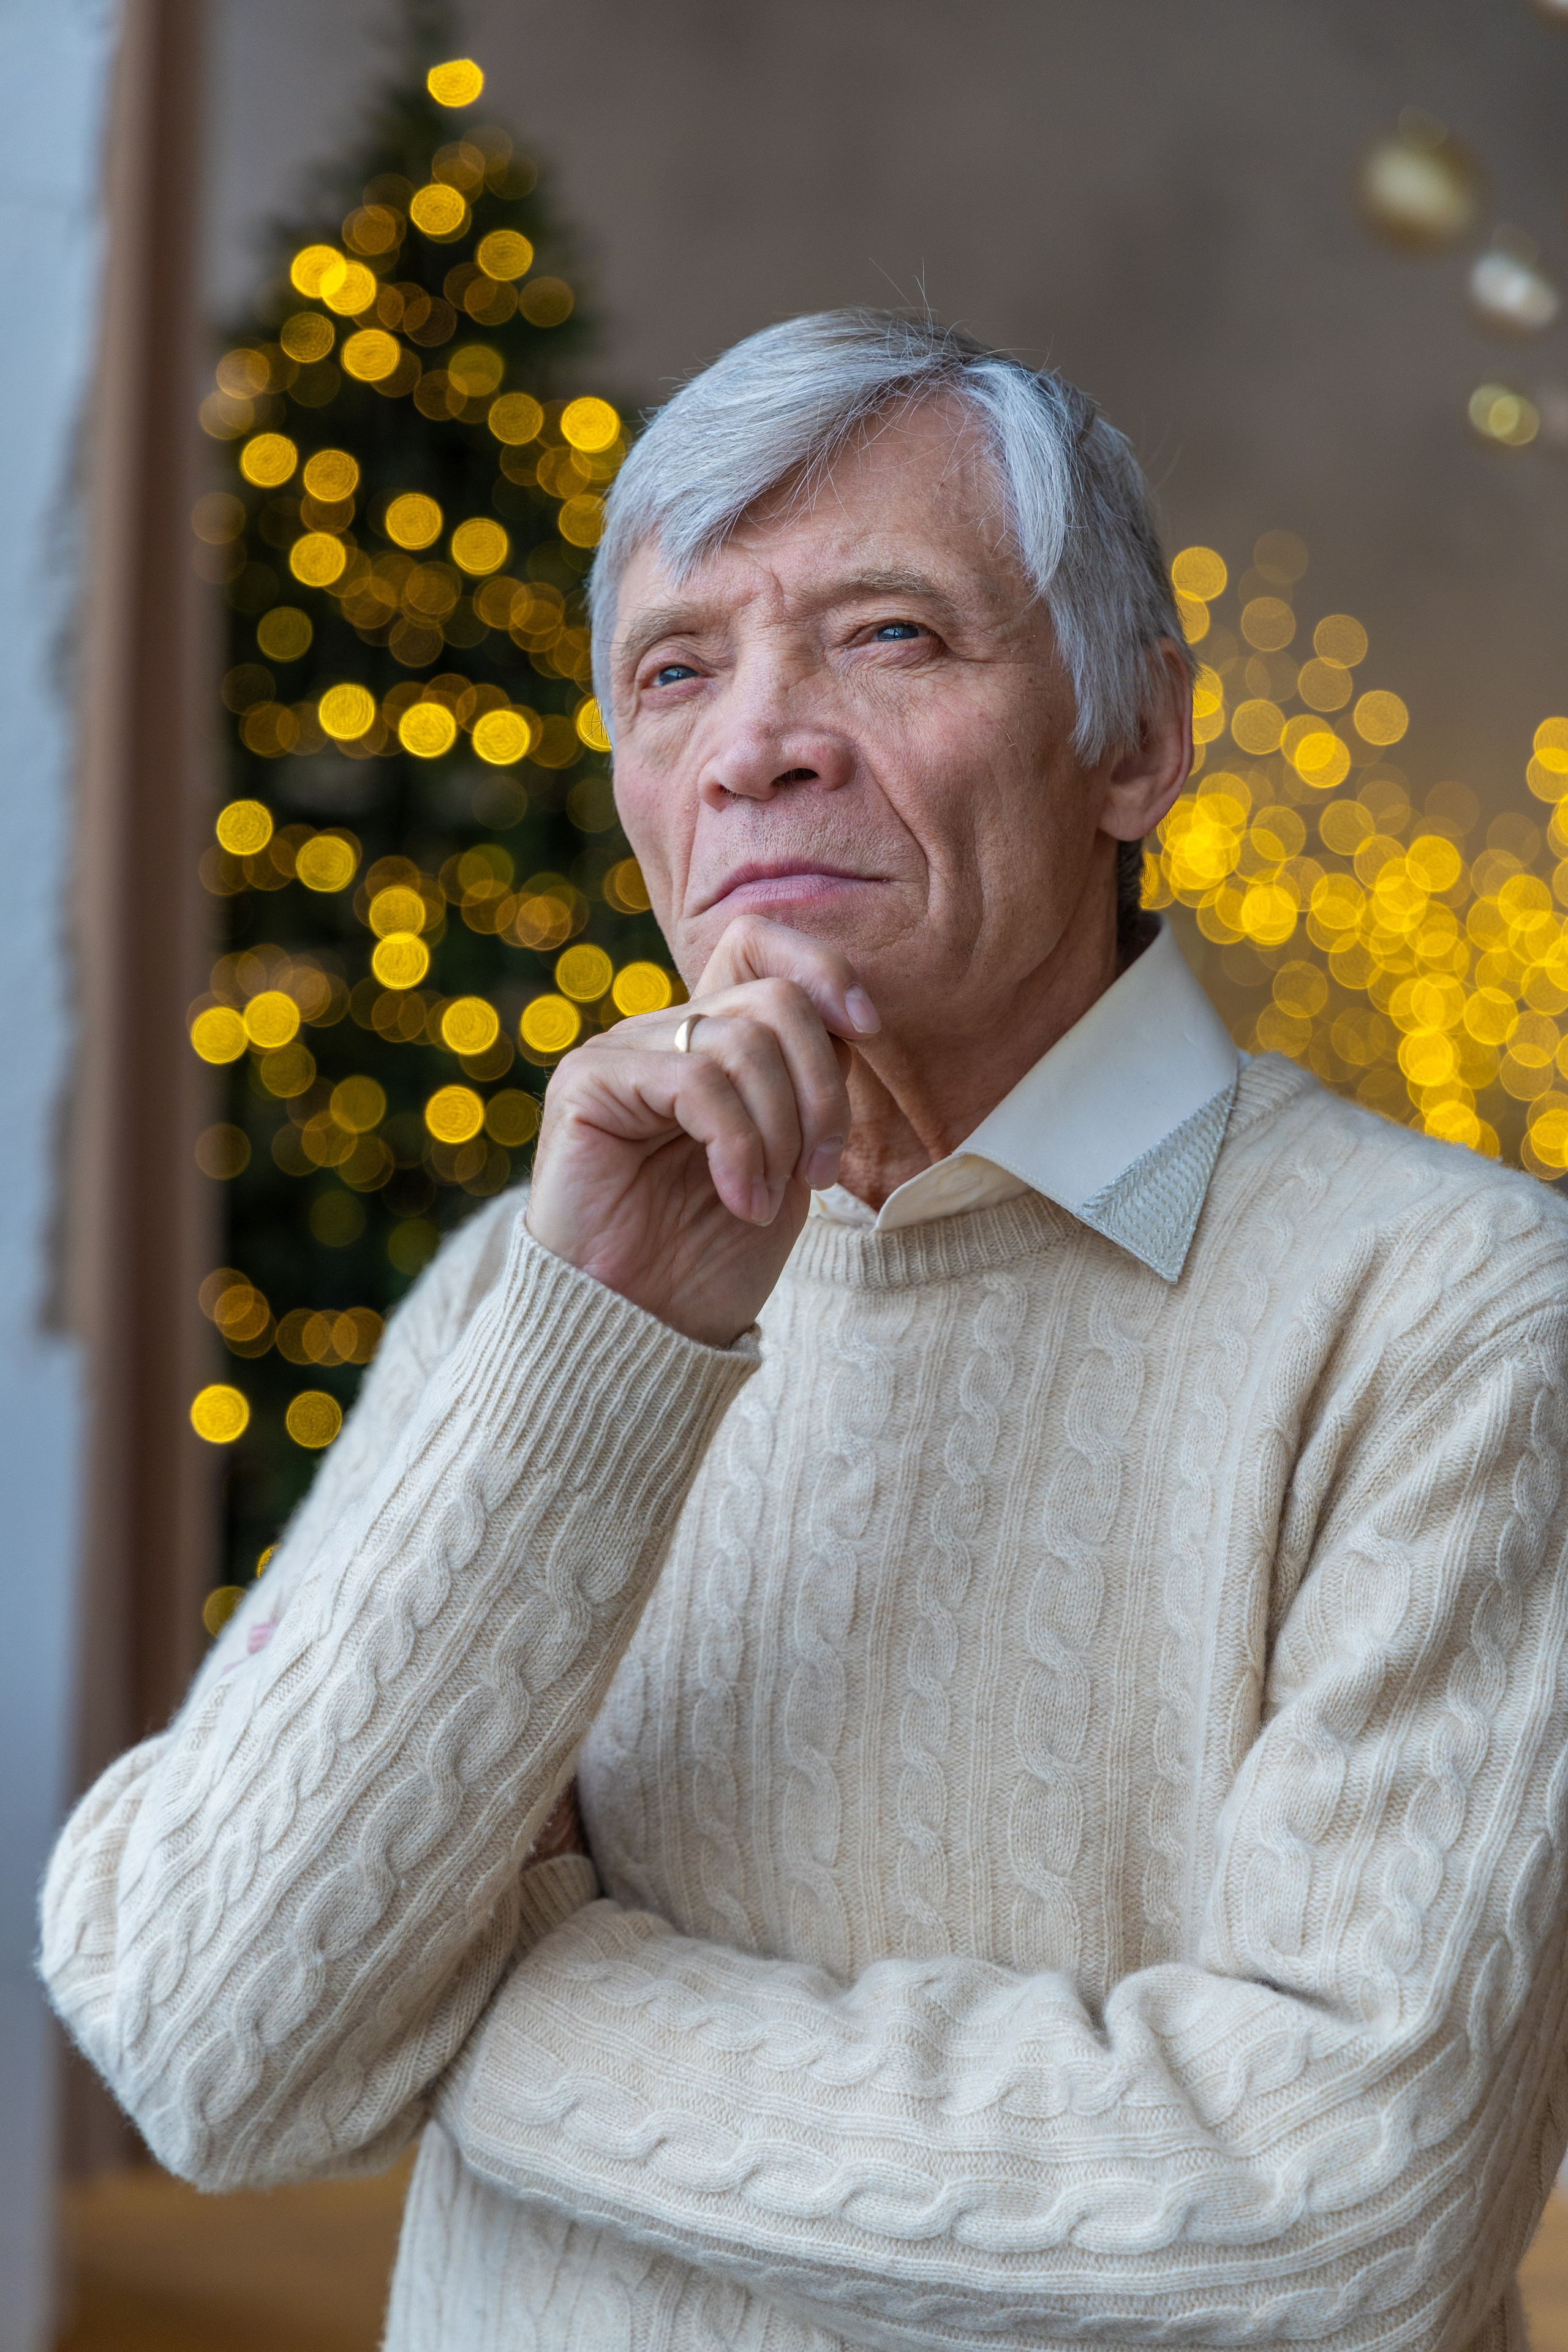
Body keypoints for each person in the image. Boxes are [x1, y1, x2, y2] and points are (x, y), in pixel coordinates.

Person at [43, 310, 1568, 2352]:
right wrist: (608, 1348)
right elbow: (212, 2044)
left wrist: (498, 2004)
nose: (759, 736)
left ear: (1138, 741)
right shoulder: (540, 1281)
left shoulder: (1459, 1315)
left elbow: (1339, 2217)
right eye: (679, 670)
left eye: (890, 637)